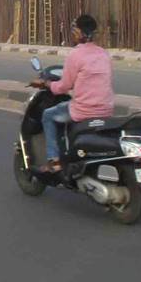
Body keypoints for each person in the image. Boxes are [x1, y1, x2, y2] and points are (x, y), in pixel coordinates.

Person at [31, 14, 114, 174]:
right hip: (106, 109)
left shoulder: (75, 55)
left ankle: (54, 161)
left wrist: (46, 83)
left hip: (83, 110)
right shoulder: (104, 54)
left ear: (77, 33)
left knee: (48, 115)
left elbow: (63, 87)